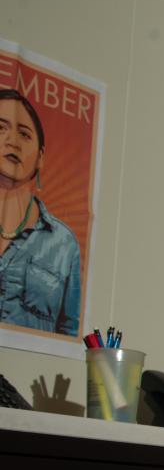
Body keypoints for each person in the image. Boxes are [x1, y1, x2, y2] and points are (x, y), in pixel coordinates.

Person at [0, 89, 81, 336]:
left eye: (24, 134)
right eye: (0, 128)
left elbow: (68, 330)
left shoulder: (64, 243)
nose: (12, 140)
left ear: (40, 157)